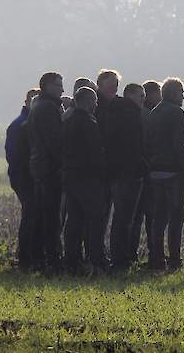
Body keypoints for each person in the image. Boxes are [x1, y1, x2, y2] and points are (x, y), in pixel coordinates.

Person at [144, 77, 184, 271]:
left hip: (155, 171)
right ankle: (174, 260)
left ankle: (157, 259)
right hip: (173, 171)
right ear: (174, 93)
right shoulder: (177, 113)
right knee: (176, 216)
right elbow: (180, 144)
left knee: (158, 218)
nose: (183, 97)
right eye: (182, 93)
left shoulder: (154, 113)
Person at [61, 86, 110, 273]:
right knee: (95, 221)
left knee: (74, 221)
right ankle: (97, 259)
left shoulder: (68, 121)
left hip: (71, 176)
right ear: (88, 101)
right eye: (94, 100)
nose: (96, 104)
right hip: (89, 178)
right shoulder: (89, 122)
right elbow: (95, 152)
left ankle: (72, 260)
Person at [104, 81, 147, 270]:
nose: (143, 100)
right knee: (125, 219)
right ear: (131, 96)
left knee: (118, 218)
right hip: (128, 173)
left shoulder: (111, 112)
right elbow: (133, 146)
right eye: (141, 96)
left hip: (113, 171)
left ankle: (116, 257)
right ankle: (121, 259)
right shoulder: (131, 114)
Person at [27, 71, 65, 273]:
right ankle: (52, 258)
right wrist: (63, 163)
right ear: (48, 86)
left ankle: (38, 258)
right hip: (50, 168)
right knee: (51, 217)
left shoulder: (38, 106)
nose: (62, 89)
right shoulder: (49, 108)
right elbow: (54, 142)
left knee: (42, 216)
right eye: (59, 85)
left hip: (39, 166)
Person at [5, 88, 41, 270]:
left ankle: (31, 254)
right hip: (25, 178)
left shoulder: (27, 122)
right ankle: (26, 256)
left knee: (33, 216)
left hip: (29, 176)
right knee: (30, 215)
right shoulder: (20, 125)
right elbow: (15, 156)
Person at [129, 79, 160, 263]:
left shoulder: (139, 113)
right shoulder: (147, 115)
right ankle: (154, 254)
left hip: (135, 171)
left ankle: (130, 253)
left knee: (134, 217)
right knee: (150, 216)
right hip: (147, 171)